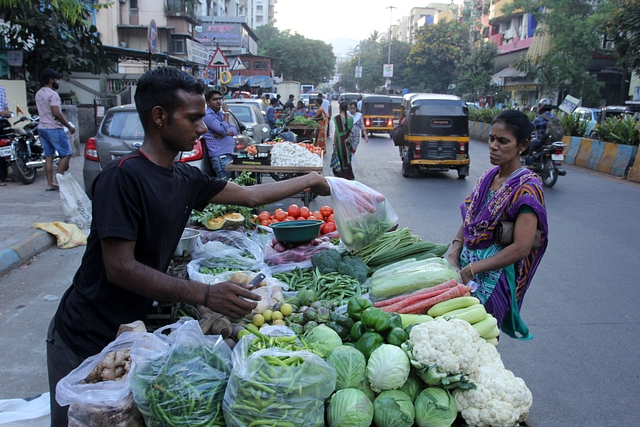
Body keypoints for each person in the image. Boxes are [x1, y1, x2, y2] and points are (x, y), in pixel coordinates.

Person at [46, 66, 331, 427]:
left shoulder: (184, 176)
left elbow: (249, 195)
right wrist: (205, 294)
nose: (202, 126)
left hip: (129, 333)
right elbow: (120, 267)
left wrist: (310, 178)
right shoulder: (122, 178)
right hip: (84, 334)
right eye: (194, 117)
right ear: (160, 117)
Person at [447, 109, 548, 332]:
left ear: (522, 145)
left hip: (493, 278)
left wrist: (473, 269)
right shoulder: (487, 178)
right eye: (492, 139)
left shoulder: (526, 188)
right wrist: (455, 249)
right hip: (466, 270)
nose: (493, 146)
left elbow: (521, 248)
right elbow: (470, 220)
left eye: (503, 141)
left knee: (480, 338)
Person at [35, 68, 76, 191]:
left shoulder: (39, 93)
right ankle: (58, 181)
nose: (58, 82)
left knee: (49, 156)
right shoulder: (53, 95)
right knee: (66, 154)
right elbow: (56, 113)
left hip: (42, 127)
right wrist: (68, 126)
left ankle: (49, 183)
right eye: (57, 79)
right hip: (54, 128)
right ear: (51, 80)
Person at [202, 89, 236, 180]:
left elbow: (234, 129)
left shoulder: (220, 114)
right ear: (208, 102)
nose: (218, 102)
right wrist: (226, 113)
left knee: (231, 184)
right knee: (225, 184)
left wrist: (224, 133)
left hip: (228, 153)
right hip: (220, 156)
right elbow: (222, 130)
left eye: (219, 99)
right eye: (215, 99)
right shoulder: (207, 115)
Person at [331, 101, 355, 180]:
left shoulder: (337, 118)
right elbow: (351, 131)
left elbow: (336, 132)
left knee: (340, 158)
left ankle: (341, 177)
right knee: (347, 159)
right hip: (348, 142)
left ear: (340, 108)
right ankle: (348, 177)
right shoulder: (351, 118)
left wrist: (334, 144)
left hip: (340, 142)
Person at [527, 98, 554, 164]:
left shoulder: (540, 118)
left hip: (542, 141)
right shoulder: (555, 117)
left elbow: (530, 128)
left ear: (541, 107)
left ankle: (530, 166)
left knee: (526, 147)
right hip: (554, 141)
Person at [0, 85, 11, 186]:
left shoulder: (1, 89)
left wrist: (6, 113)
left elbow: (5, 106)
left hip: (2, 122)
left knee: (5, 149)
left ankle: (4, 175)